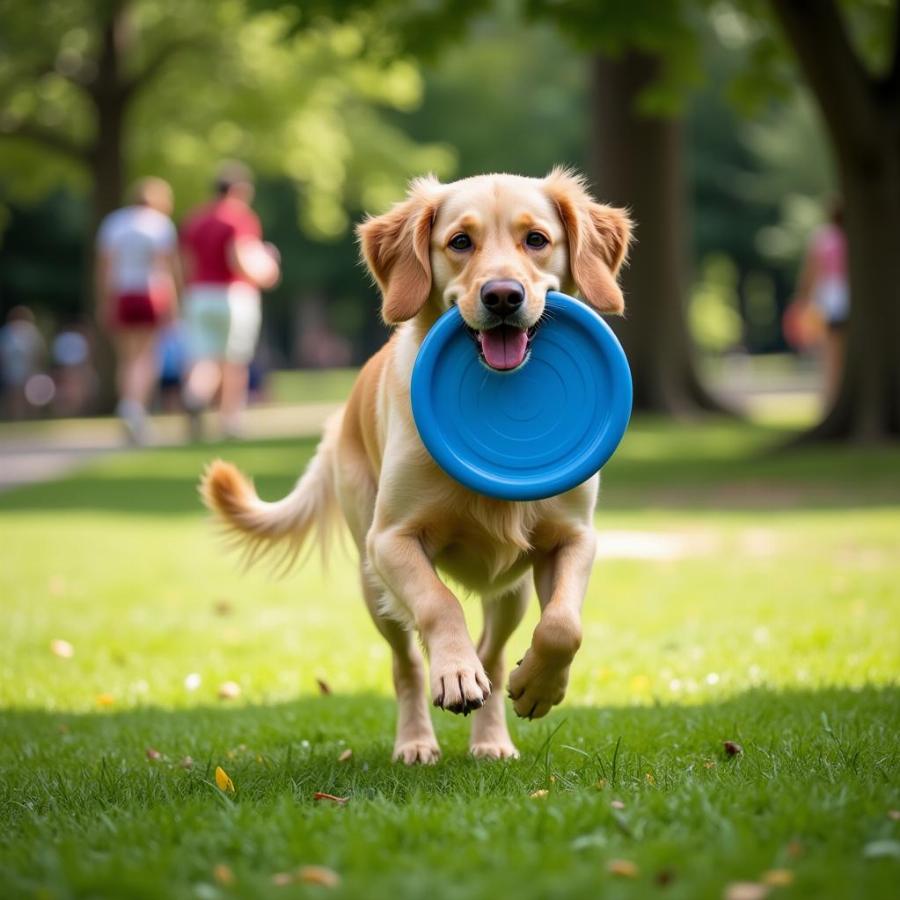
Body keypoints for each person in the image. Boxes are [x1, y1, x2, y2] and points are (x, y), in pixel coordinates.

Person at [179, 161, 280, 439]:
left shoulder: (195, 219)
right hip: (233, 295)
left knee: (203, 357)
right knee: (234, 360)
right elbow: (239, 259)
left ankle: (194, 396)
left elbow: (185, 264)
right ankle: (230, 420)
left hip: (198, 295)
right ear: (238, 190)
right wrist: (266, 274)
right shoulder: (239, 218)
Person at [95, 177, 180, 443]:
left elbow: (105, 268)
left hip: (121, 294)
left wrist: (104, 301)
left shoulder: (114, 223)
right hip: (149, 294)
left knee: (127, 357)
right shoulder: (159, 225)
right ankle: (135, 409)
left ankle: (129, 406)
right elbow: (165, 269)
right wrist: (174, 304)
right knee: (146, 357)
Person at [787, 199, 849, 406]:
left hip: (830, 298)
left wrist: (802, 298)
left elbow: (810, 272)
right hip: (846, 295)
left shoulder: (823, 238)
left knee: (831, 350)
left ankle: (831, 395)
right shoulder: (855, 238)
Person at [0, 306, 46, 419]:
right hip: (16, 370)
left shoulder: (27, 331)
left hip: (22, 370)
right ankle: (20, 418)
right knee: (20, 396)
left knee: (23, 396)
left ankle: (22, 418)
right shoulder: (9, 332)